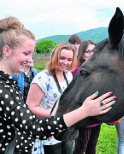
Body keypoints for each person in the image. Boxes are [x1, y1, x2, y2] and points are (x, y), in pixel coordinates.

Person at [0, 16, 116, 154]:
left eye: (32, 54)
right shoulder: (6, 87)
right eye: (26, 53)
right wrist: (84, 111)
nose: (30, 59)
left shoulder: (9, 83)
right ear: (6, 50)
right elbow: (34, 126)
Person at [26, 42, 77, 154]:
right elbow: (30, 106)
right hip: (49, 130)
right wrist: (55, 117)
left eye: (69, 59)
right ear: (55, 56)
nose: (65, 62)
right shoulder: (42, 78)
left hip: (66, 128)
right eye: (62, 58)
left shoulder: (69, 75)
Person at [73, 40, 110, 154]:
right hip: (84, 117)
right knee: (81, 148)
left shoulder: (99, 71)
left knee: (92, 146)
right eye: (87, 51)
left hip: (97, 116)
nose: (91, 54)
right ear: (82, 53)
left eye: (93, 51)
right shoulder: (77, 71)